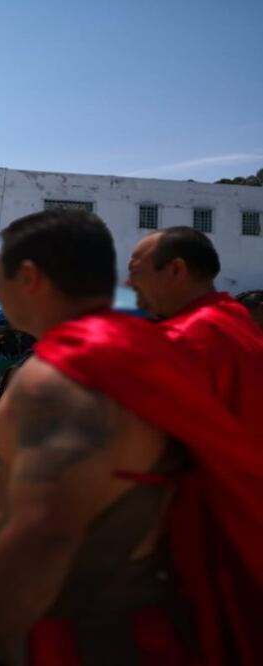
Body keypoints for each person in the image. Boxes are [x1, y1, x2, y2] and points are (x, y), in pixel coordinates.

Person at [0, 209, 262, 665]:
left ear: (28, 276)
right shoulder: (145, 346)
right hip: (162, 606)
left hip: (94, 634)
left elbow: (45, 531)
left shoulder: (68, 375)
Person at [127, 227, 263, 663]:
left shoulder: (187, 342)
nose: (129, 283)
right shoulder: (233, 321)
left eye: (136, 271)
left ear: (177, 270)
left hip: (205, 554)